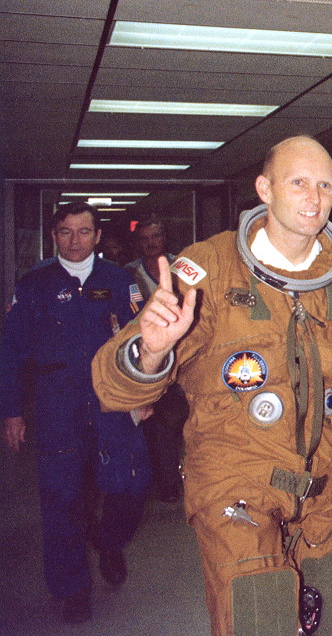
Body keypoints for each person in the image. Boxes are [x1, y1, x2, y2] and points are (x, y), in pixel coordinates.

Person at [92, 136, 332, 636]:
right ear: (265, 189)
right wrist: (151, 350)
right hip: (236, 476)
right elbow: (115, 390)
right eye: (299, 183)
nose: (315, 198)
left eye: (325, 185)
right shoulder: (211, 267)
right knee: (260, 617)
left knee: (325, 620)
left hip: (329, 481)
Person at [0, 202, 151, 624]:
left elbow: (144, 343)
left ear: (98, 236)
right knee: (62, 499)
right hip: (57, 405)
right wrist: (11, 411)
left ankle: (108, 541)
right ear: (53, 236)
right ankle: (73, 588)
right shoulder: (34, 285)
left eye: (84, 231)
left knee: (130, 486)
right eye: (65, 232)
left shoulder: (120, 281)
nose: (74, 241)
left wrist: (145, 392)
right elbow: (10, 352)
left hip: (113, 402)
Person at [126, 215, 188, 503]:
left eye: (155, 237)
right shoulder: (129, 274)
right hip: (147, 357)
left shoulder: (183, 267)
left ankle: (181, 477)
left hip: (183, 354)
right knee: (154, 420)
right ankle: (162, 480)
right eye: (144, 239)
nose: (150, 243)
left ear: (165, 238)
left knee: (181, 418)